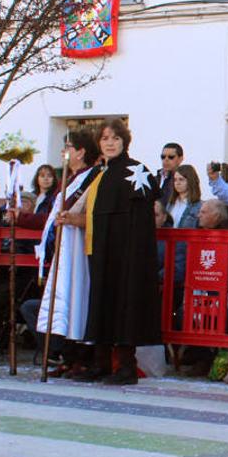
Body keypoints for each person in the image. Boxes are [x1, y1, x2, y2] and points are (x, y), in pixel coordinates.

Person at [80, 118, 162, 386]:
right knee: (102, 302)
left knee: (124, 306)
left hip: (127, 254)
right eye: (105, 139)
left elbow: (144, 213)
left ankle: (126, 366)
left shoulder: (135, 170)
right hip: (103, 251)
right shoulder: (100, 174)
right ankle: (101, 362)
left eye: (115, 138)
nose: (110, 143)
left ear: (124, 141)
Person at [37, 129, 104, 378]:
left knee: (77, 299)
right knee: (63, 301)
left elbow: (91, 211)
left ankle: (81, 357)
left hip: (79, 245)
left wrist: (75, 218)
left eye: (68, 147)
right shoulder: (72, 177)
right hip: (65, 246)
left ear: (81, 151)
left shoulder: (93, 176)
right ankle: (67, 355)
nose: (64, 152)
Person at [167, 163, 202, 229]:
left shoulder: (198, 206)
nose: (177, 183)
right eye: (175, 180)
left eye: (181, 179)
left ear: (190, 181)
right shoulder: (171, 203)